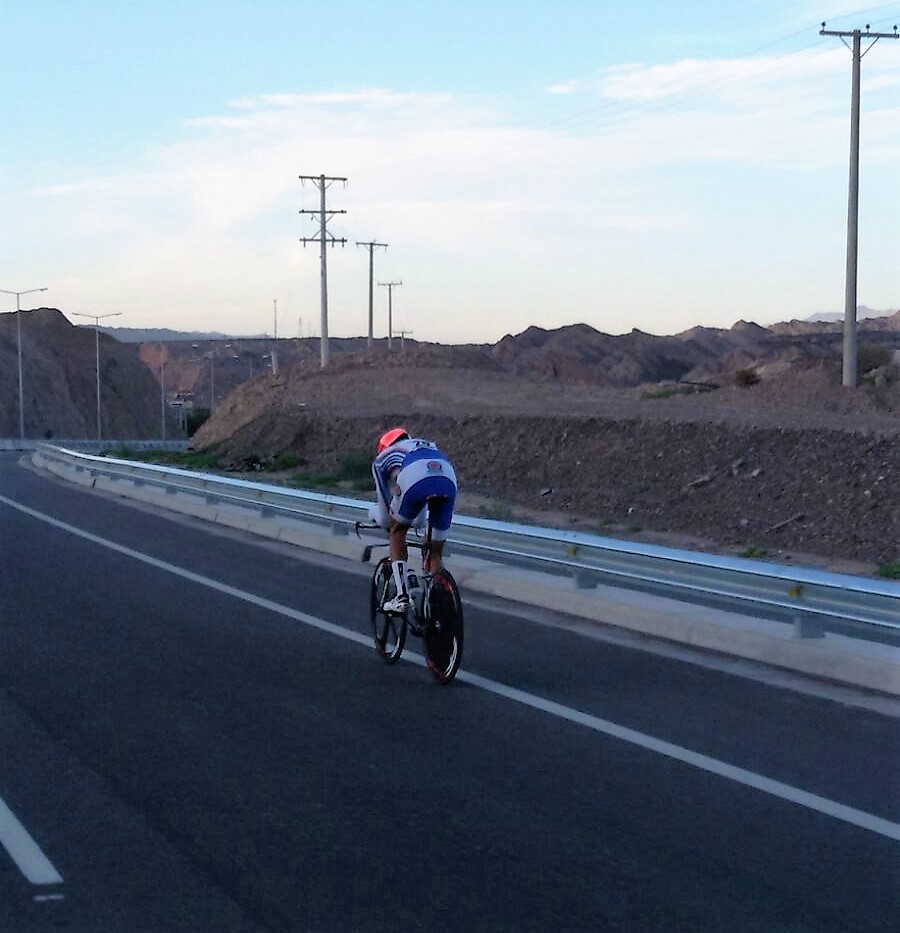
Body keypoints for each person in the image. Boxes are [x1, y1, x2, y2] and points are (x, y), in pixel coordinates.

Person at [371, 426, 458, 613]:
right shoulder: (428, 445)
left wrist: (386, 522)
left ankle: (401, 596)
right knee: (434, 549)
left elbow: (385, 510)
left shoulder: (381, 459)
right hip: (447, 475)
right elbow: (419, 520)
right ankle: (438, 599)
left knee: (397, 532)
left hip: (415, 475)